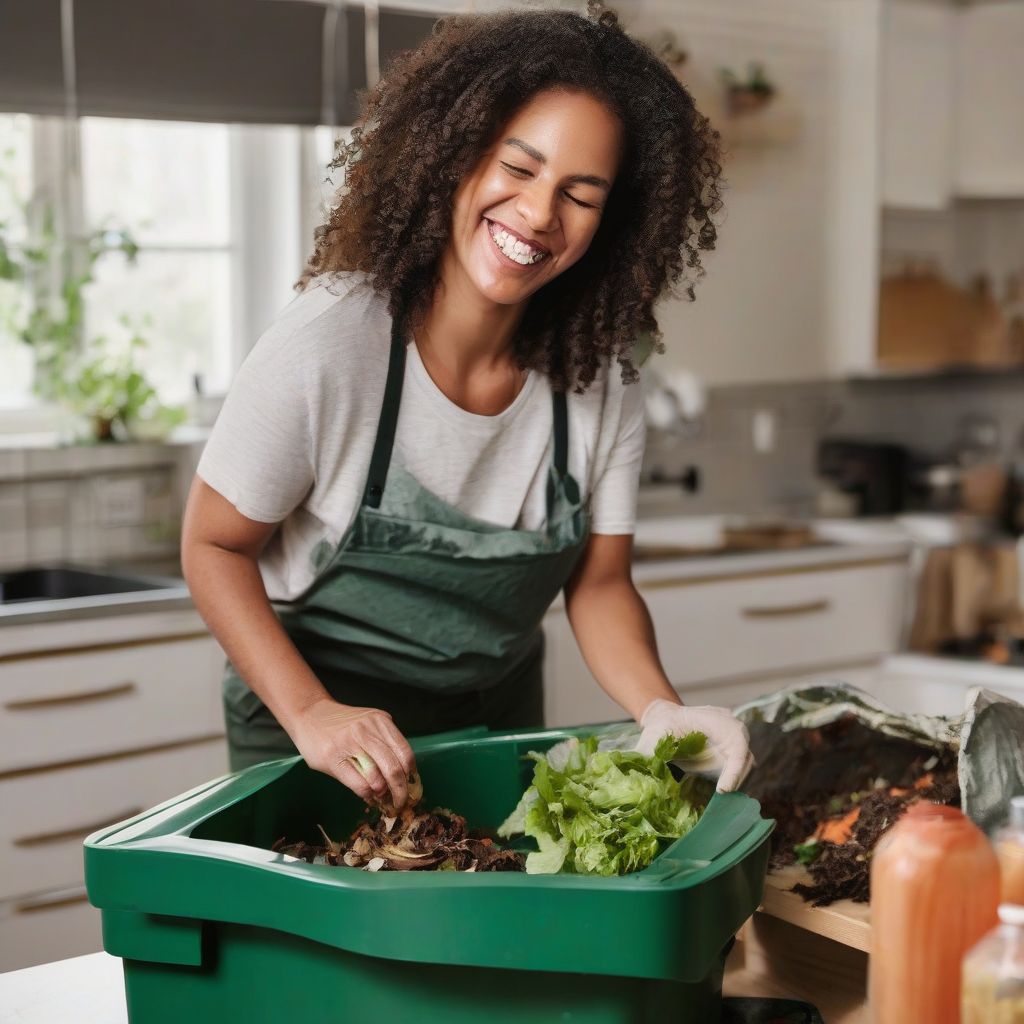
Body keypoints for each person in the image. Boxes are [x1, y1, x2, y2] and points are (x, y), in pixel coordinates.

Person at [181, 2, 752, 811]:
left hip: (496, 728)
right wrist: (312, 715)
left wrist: (659, 709)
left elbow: (599, 585)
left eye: (580, 195)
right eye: (518, 169)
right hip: (315, 738)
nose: (538, 214)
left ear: (611, 225)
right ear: (455, 154)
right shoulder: (333, 341)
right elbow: (212, 546)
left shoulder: (602, 377)